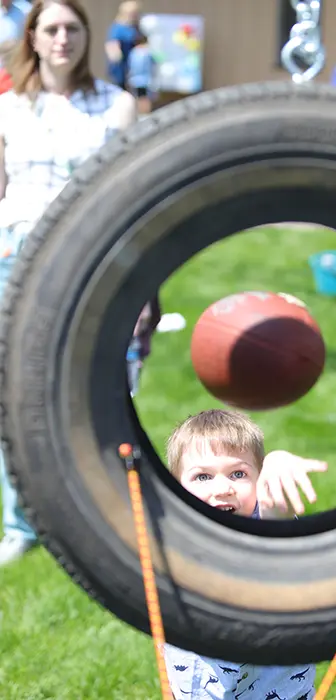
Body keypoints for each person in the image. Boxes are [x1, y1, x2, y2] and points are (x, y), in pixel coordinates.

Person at [0, 0, 138, 567]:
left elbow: (128, 193)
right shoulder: (9, 108)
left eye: (73, 29)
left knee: (96, 388)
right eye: (51, 28)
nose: (63, 39)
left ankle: (105, 513)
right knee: (15, 394)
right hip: (16, 258)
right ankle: (20, 521)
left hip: (89, 261)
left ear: (88, 37)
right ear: (31, 37)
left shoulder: (118, 105)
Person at [164, 409, 328, 699]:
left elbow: (276, 522)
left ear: (259, 480)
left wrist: (276, 467)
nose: (223, 489)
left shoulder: (262, 525)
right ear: (176, 488)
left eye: (238, 474)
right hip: (197, 689)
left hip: (277, 690)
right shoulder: (173, 533)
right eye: (202, 477)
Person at [105, 0, 140, 90]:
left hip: (133, 68)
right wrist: (116, 57)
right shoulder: (118, 28)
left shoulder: (134, 27)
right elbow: (112, 46)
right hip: (121, 69)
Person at [127, 30, 157, 114]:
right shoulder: (147, 52)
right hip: (146, 79)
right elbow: (154, 63)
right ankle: (145, 113)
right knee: (145, 98)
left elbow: (130, 66)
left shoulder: (133, 52)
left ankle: (140, 113)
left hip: (135, 80)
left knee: (138, 98)